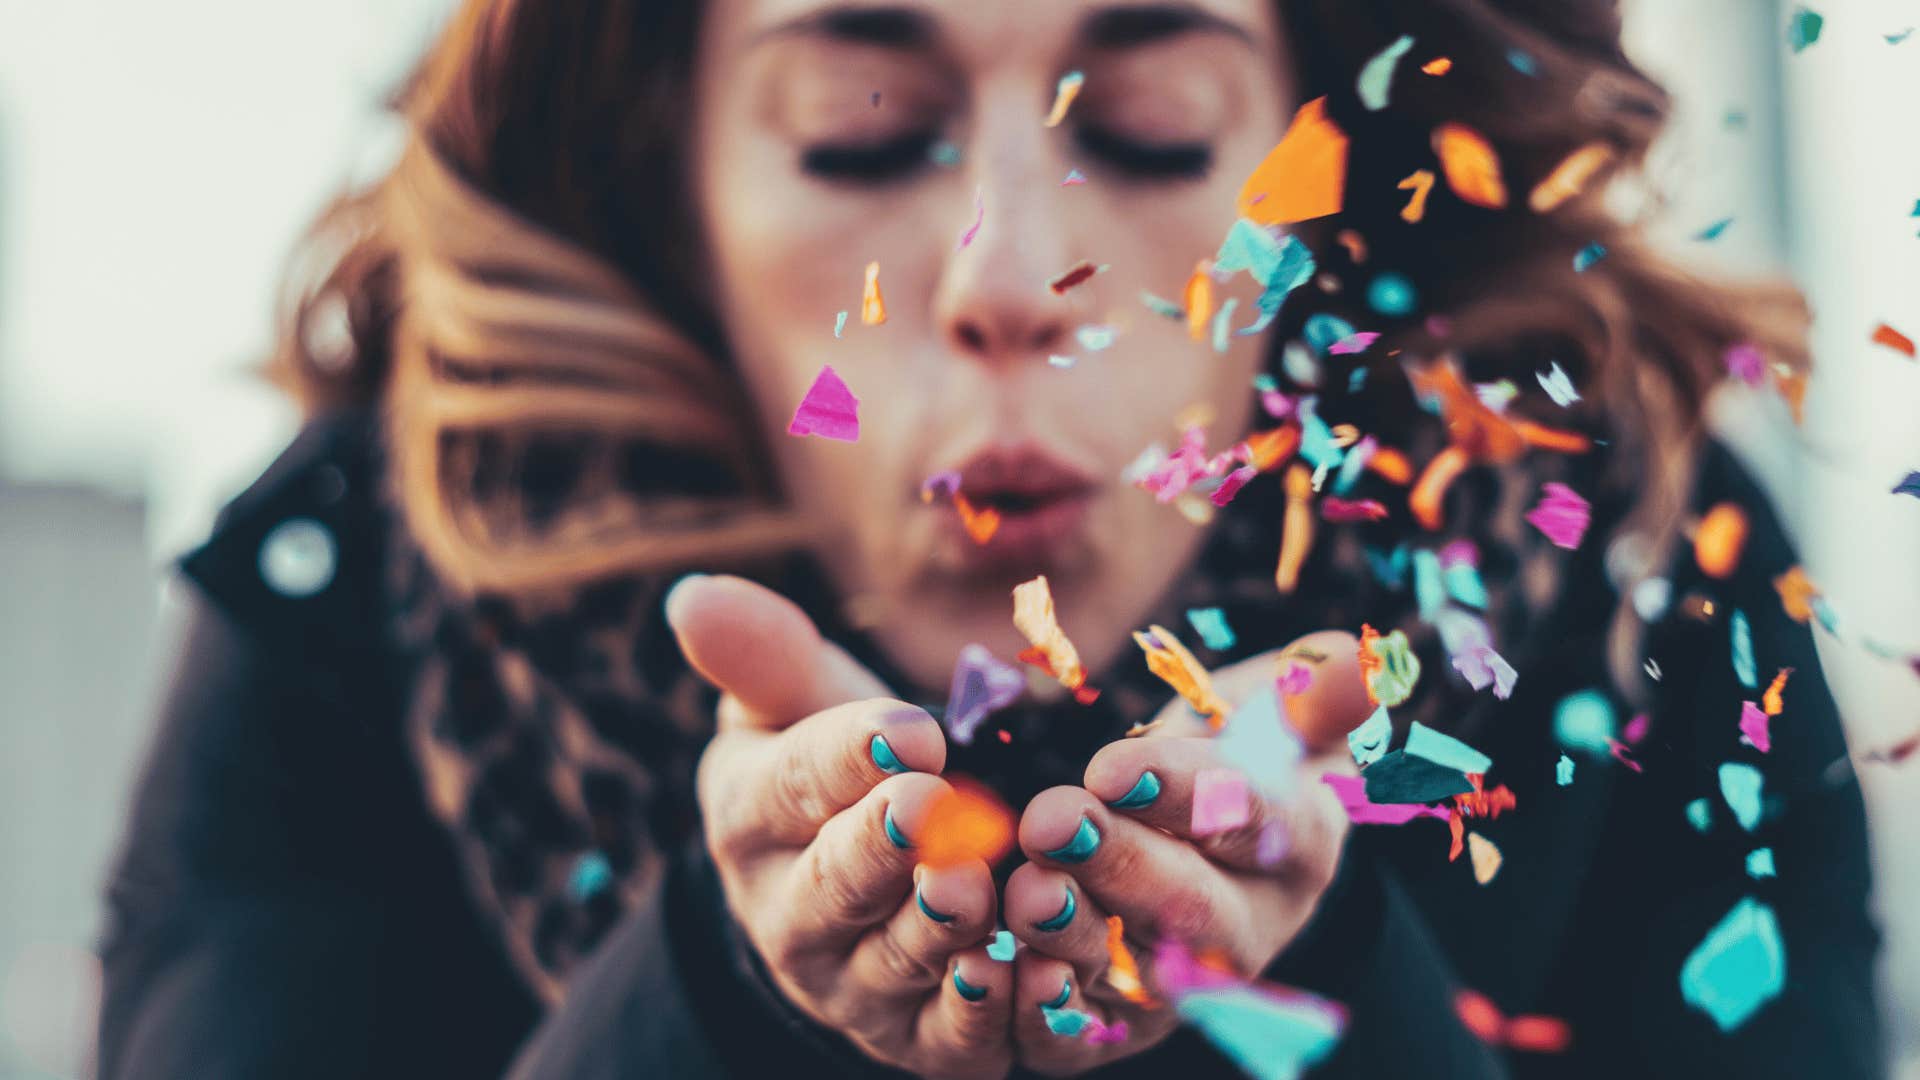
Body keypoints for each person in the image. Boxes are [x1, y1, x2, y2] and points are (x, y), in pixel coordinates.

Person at [96, 0, 1884, 1077]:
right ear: (676, 178)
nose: (1008, 279)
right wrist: (721, 1008)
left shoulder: (1647, 562)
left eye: (1151, 126)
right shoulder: (383, 570)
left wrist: (1317, 996)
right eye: (861, 136)